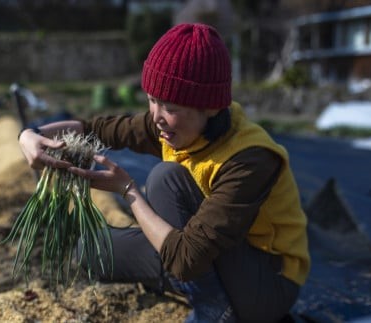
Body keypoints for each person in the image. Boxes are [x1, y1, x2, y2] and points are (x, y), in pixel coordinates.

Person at [18, 23, 310, 323]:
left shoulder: (249, 158)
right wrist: (30, 134)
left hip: (266, 284)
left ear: (210, 107)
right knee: (92, 251)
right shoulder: (170, 124)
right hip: (202, 251)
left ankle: (216, 312)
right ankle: (205, 291)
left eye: (169, 106)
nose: (156, 117)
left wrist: (128, 191)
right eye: (151, 99)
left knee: (165, 180)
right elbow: (97, 130)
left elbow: (186, 260)